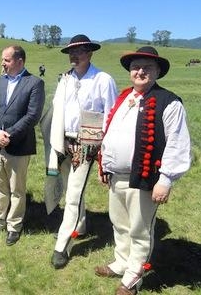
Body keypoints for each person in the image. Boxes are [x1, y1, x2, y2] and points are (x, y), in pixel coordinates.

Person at [96, 46, 191, 295]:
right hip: (117, 176)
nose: (140, 71)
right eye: (136, 67)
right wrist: (104, 164)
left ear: (158, 71)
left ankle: (133, 278)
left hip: (147, 178)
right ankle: (121, 262)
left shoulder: (169, 102)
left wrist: (166, 179)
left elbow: (177, 144)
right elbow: (111, 134)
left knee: (140, 228)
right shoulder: (124, 98)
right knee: (119, 223)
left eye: (147, 67)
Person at [47, 34, 118, 269]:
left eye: (79, 51)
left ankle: (62, 245)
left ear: (90, 53)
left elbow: (110, 116)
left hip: (87, 144)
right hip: (64, 141)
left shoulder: (102, 79)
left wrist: (103, 150)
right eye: (71, 52)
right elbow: (58, 111)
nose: (74, 56)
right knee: (70, 187)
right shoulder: (65, 79)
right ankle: (81, 225)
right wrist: (57, 141)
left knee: (73, 194)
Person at [0, 45, 45, 246]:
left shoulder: (34, 83)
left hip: (18, 146)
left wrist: (9, 134)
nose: (3, 63)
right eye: (3, 59)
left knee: (17, 189)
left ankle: (14, 226)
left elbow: (32, 115)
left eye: (6, 60)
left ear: (20, 61)